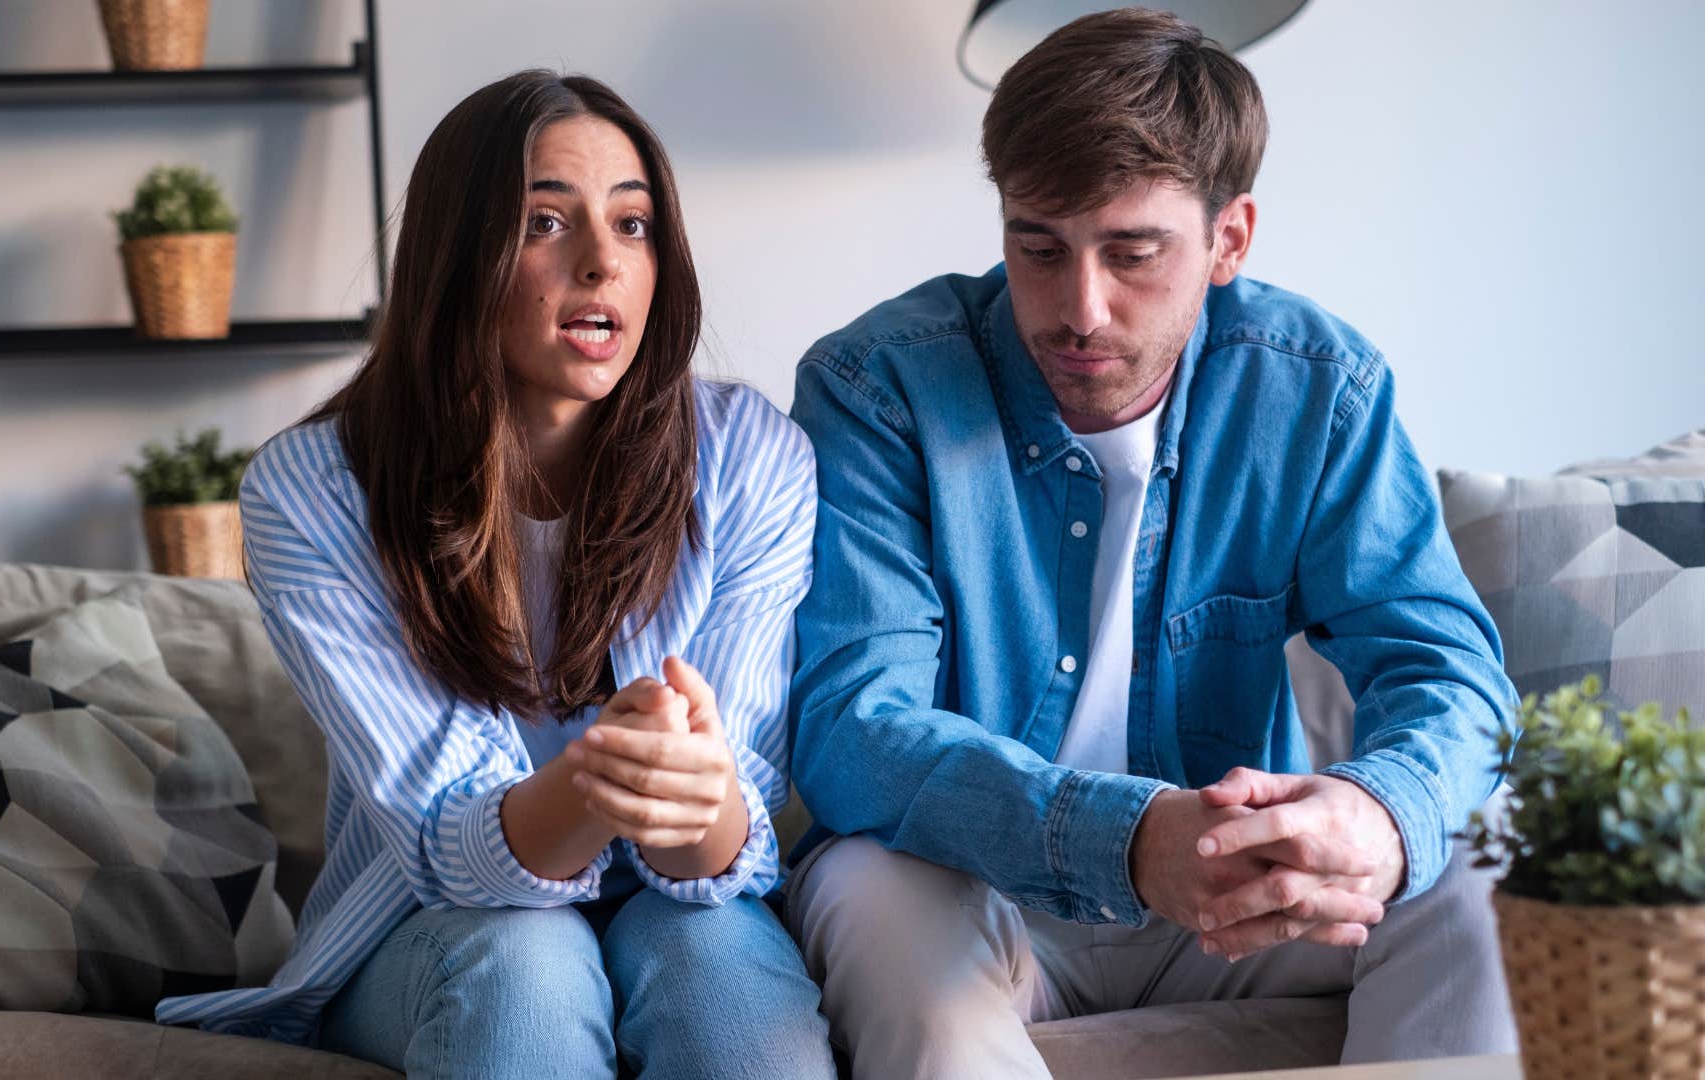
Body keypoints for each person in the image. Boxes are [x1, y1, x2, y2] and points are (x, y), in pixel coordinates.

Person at [781, 9, 1520, 1076]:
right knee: (864, 887)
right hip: (977, 889)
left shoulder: (1312, 387)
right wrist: (1124, 841)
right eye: (1038, 247)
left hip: (1236, 891)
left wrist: (1376, 814)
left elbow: (1446, 667)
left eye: (1133, 254)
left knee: (1493, 845)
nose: (1080, 309)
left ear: (1229, 241)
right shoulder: (880, 388)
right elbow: (854, 728)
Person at [155, 70, 834, 1080]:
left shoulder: (752, 461)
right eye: (545, 223)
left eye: (635, 225)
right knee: (527, 967)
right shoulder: (315, 488)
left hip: (680, 906)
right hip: (437, 921)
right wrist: (611, 776)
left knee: (723, 983)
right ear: (458, 255)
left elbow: (723, 849)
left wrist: (697, 805)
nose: (603, 262)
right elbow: (446, 848)